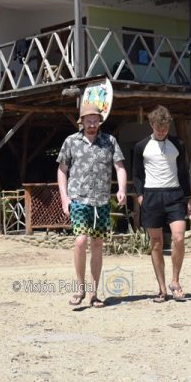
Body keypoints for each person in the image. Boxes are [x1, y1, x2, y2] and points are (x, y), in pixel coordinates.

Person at [57, 102, 127, 308]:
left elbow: (120, 167)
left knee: (97, 244)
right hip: (78, 200)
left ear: (100, 122)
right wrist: (64, 198)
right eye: (89, 121)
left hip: (101, 202)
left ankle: (94, 294)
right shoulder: (71, 141)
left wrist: (122, 189)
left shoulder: (109, 141)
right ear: (82, 121)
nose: (92, 125)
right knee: (80, 241)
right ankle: (80, 288)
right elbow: (62, 170)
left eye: (95, 121)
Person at [132, 105, 191, 302]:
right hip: (152, 196)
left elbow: (183, 172)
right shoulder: (141, 146)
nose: (162, 132)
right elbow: (136, 174)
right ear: (152, 125)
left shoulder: (178, 144)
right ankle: (162, 288)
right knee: (156, 243)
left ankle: (175, 281)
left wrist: (188, 198)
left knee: (179, 237)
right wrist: (140, 195)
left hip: (175, 195)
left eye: (165, 129)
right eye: (158, 128)